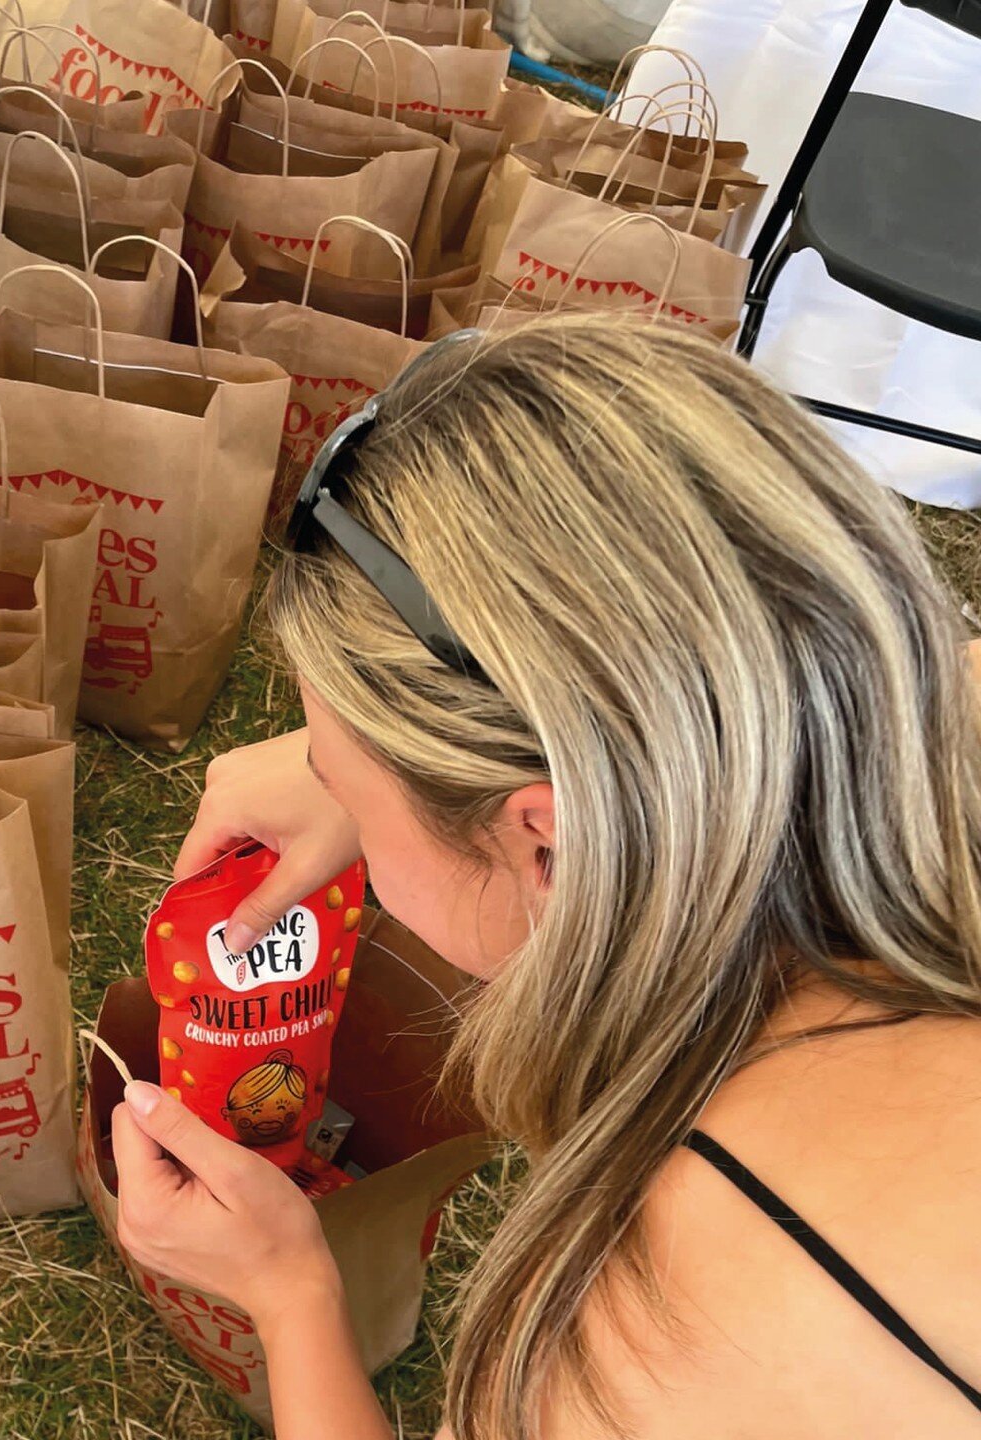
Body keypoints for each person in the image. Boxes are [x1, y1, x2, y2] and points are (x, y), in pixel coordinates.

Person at [109, 315, 981, 1439]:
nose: (339, 819)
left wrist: (291, 1290)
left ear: (549, 846)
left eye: (347, 794)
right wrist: (402, 767)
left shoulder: (669, 1322)